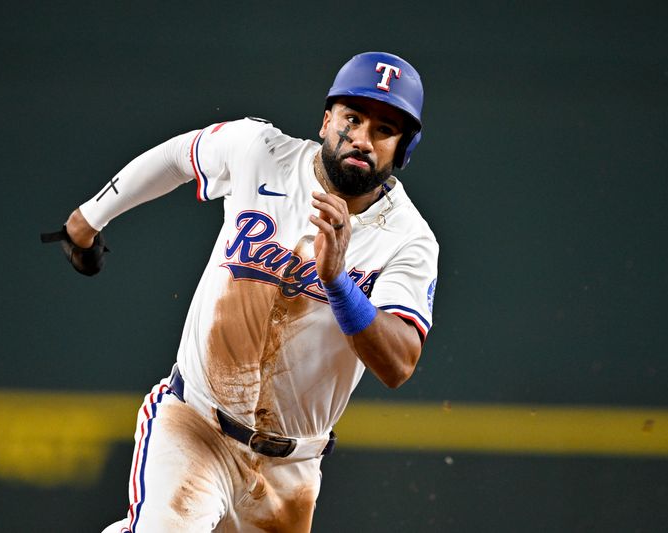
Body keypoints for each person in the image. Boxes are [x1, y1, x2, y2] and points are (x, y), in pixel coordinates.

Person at [45, 51, 439, 532]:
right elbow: (176, 156)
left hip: (290, 471)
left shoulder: (409, 239)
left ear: (403, 149)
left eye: (383, 130)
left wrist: (339, 284)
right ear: (325, 120)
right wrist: (88, 218)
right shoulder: (261, 152)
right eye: (352, 118)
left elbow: (398, 363)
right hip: (197, 425)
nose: (361, 137)